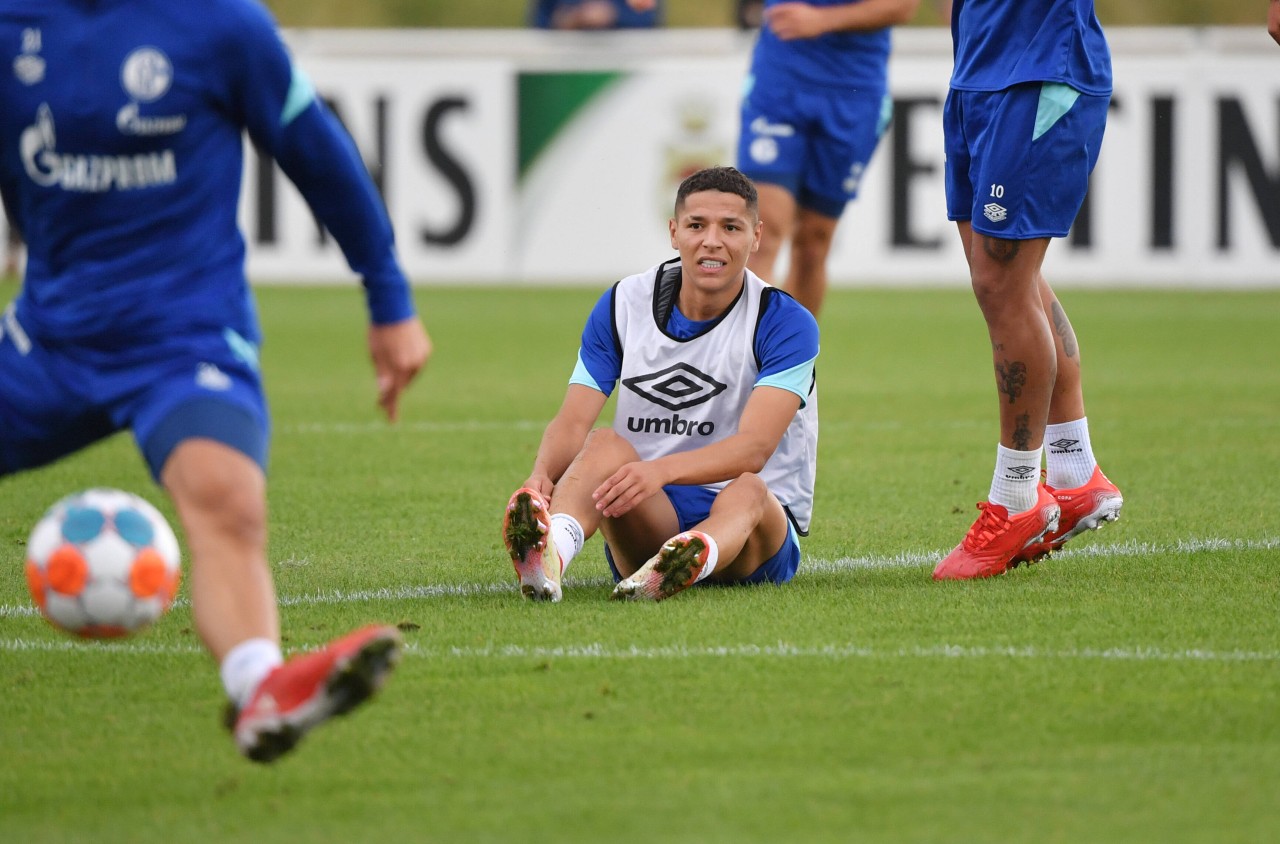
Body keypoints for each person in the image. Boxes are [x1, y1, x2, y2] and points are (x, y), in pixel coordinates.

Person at [0, 0, 432, 761]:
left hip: (184, 338)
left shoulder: (223, 25)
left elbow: (318, 154)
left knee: (227, 504)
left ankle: (261, 689)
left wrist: (388, 297)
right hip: (49, 339)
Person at [501, 166, 818, 603]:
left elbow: (754, 449)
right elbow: (572, 421)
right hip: (648, 512)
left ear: (756, 236)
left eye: (731, 227)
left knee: (748, 489)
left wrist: (659, 470)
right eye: (696, 225)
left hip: (754, 538)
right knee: (602, 443)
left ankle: (690, 556)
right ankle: (551, 551)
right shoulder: (623, 303)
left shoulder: (784, 321)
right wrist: (541, 475)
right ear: (674, 232)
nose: (712, 241)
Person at [931, 0, 1123, 581]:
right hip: (976, 69)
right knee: (1004, 280)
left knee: (1001, 284)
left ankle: (1016, 496)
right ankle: (1073, 471)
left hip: (1039, 70)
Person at [633, 0, 920, 319]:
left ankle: (794, 361)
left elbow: (900, 7)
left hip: (853, 93)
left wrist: (823, 20)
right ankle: (742, 358)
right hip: (780, 85)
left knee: (813, 242)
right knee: (762, 231)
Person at [530, 0, 662, 29]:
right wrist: (573, 19)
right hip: (564, 67)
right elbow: (539, 25)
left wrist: (615, 16)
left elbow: (648, 22)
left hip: (627, 69)